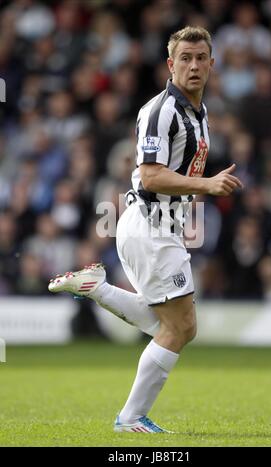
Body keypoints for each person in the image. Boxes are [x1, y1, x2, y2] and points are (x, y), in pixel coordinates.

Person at [49, 26, 243, 433]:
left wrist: (200, 185)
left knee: (175, 327)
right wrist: (206, 184)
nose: (193, 65)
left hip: (163, 227)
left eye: (201, 58)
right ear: (170, 65)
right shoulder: (161, 111)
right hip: (150, 225)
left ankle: (94, 287)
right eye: (185, 59)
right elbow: (151, 175)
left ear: (212, 63)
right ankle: (130, 418)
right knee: (179, 328)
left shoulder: (200, 112)